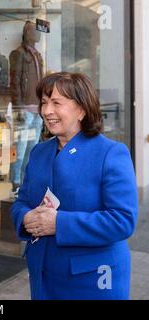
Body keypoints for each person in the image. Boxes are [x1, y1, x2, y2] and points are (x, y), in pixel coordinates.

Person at [11, 72, 138, 300]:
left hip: (91, 281)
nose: (47, 111)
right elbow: (21, 201)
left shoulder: (110, 153)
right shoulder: (39, 152)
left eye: (56, 103)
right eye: (44, 103)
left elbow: (122, 221)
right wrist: (25, 217)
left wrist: (59, 223)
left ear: (82, 110)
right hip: (43, 277)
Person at [9, 21, 44, 194]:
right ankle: (15, 183)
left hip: (37, 111)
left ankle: (25, 185)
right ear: (27, 33)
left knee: (31, 152)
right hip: (24, 111)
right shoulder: (18, 54)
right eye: (34, 31)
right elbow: (14, 83)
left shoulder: (38, 55)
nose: (38, 34)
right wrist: (18, 108)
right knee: (20, 151)